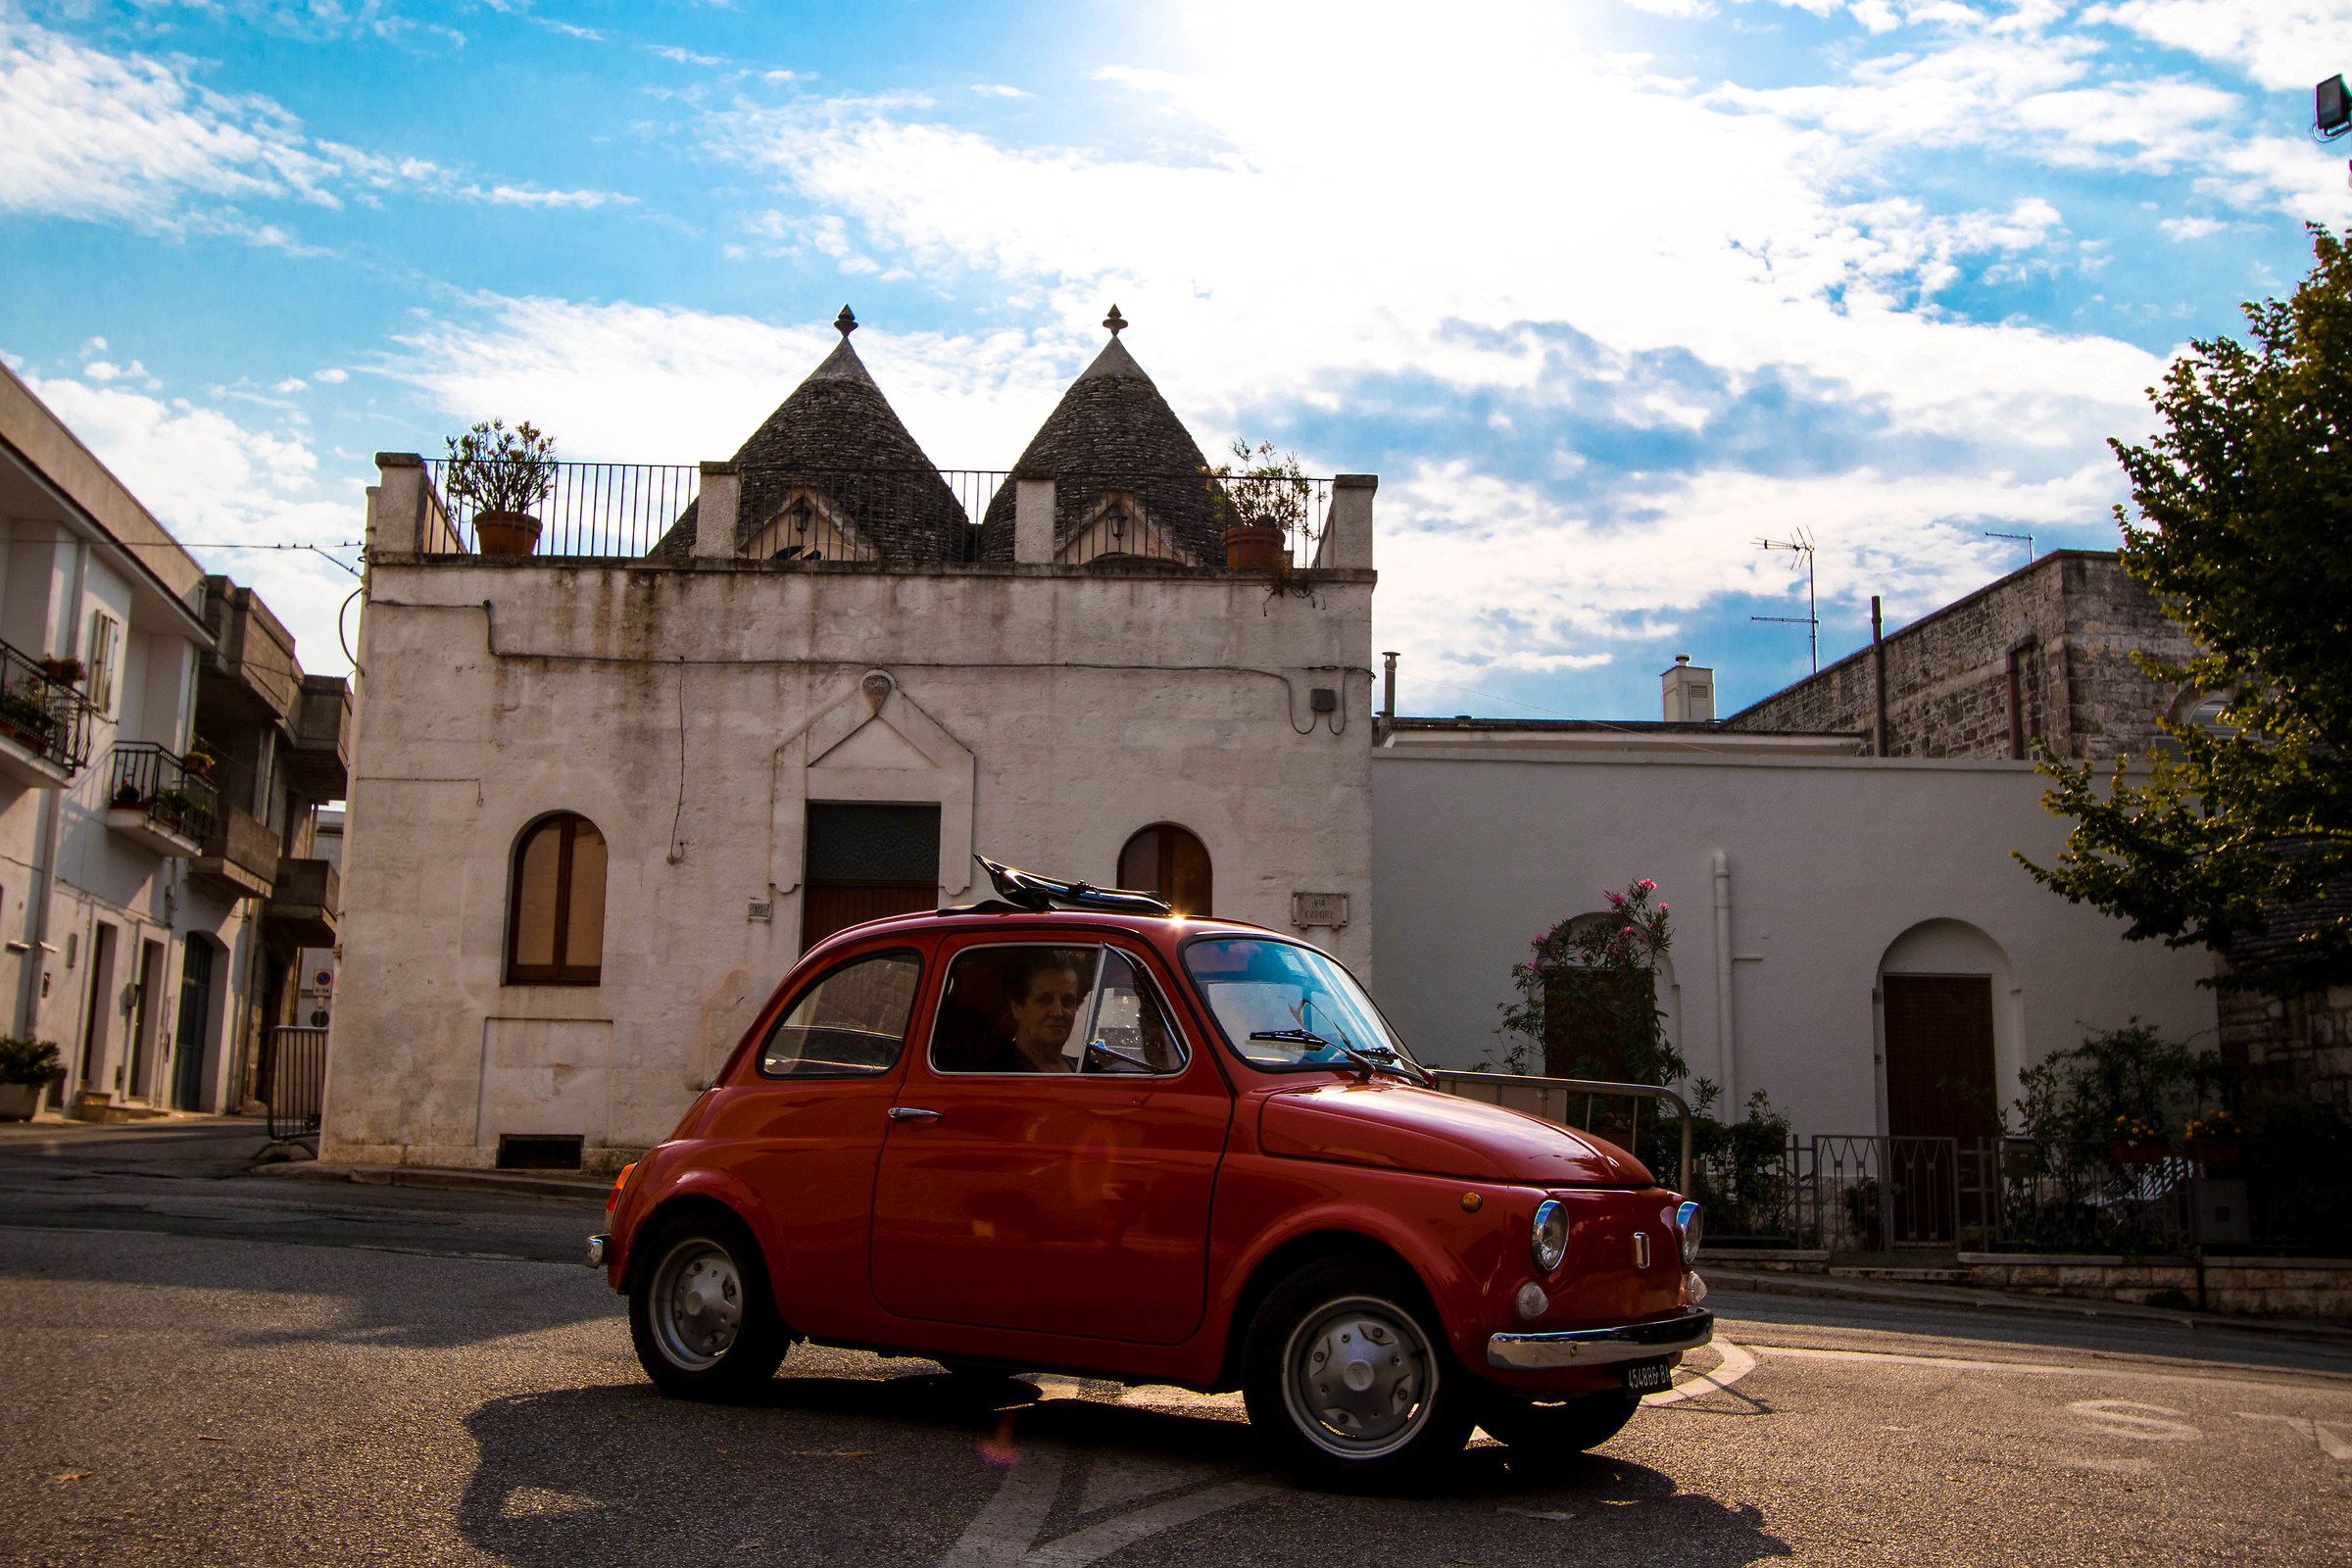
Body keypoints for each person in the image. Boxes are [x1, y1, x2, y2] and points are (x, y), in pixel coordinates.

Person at [974, 949, 1088, 1073]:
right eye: (1044, 1000)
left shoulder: (1087, 1071)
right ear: (1017, 1007)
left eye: (1067, 1001)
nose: (1057, 1013)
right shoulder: (992, 1074)